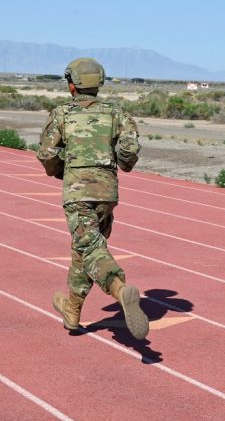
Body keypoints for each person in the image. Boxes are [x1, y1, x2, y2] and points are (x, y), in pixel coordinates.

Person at [37, 57, 149, 340]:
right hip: (107, 193)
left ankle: (120, 291)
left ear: (71, 84)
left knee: (91, 249)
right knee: (85, 248)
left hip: (78, 193)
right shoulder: (117, 114)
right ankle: (72, 310)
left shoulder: (62, 114)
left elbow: (48, 155)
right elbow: (128, 152)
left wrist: (64, 171)